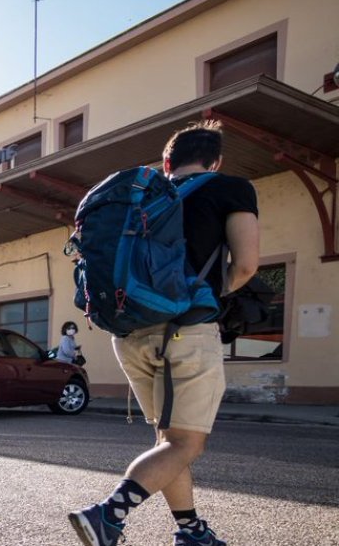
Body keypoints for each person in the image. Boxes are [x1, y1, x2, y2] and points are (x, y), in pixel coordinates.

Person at [69, 121, 259, 546]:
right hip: (187, 331)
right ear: (216, 161)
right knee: (185, 444)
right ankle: (108, 516)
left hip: (129, 333)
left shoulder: (141, 199)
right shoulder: (230, 188)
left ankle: (191, 531)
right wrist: (210, 291)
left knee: (168, 441)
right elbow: (246, 265)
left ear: (167, 162)